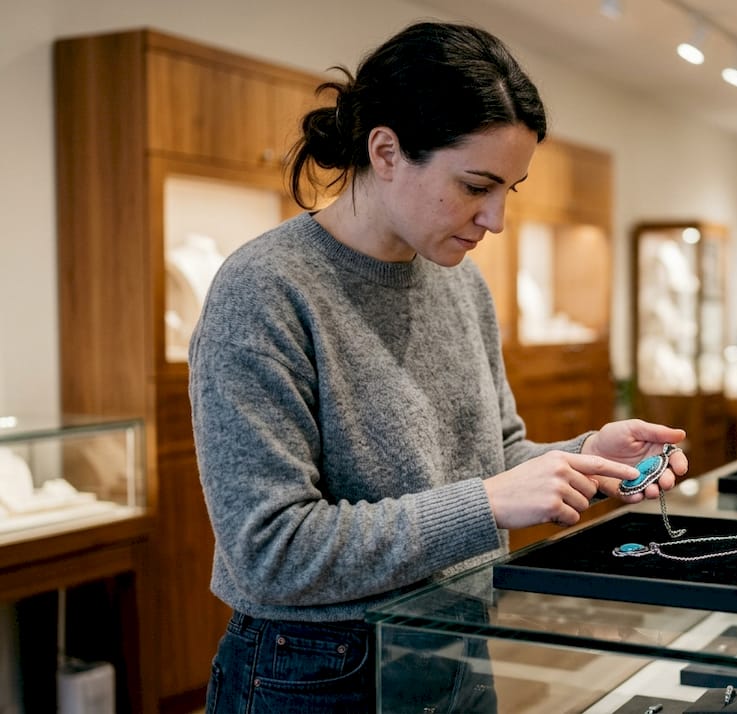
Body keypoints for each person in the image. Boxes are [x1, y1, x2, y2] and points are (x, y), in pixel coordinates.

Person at [188, 22, 688, 712]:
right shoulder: (266, 289)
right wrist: (486, 507)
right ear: (386, 150)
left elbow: (496, 456)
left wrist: (587, 459)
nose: (495, 219)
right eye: (476, 185)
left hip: (455, 643)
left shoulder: (460, 283)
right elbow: (271, 548)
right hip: (316, 671)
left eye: (509, 189)